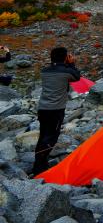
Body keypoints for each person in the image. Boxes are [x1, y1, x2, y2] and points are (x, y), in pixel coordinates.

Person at [33, 47, 80, 175]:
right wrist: (72, 64)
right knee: (51, 138)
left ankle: (40, 163)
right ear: (65, 57)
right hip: (56, 110)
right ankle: (39, 168)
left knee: (43, 136)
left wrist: (65, 63)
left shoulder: (44, 71)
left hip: (43, 108)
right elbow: (77, 76)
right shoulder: (66, 72)